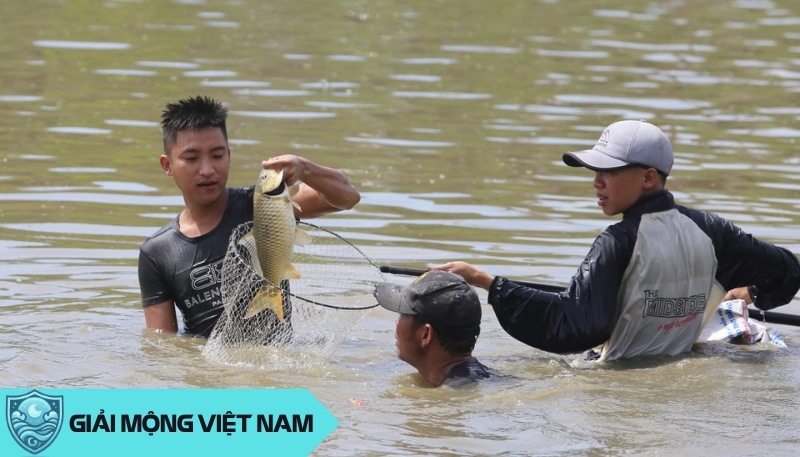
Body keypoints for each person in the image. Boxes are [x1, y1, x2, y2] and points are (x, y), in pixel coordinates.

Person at [430, 120, 800, 362]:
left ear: (649, 177)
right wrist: (748, 292)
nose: (596, 181)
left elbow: (573, 325)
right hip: (681, 372)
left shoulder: (616, 241)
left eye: (609, 171)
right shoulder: (711, 230)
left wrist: (487, 283)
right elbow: (787, 272)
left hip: (618, 382)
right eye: (595, 171)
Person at [138, 95, 360, 337]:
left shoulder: (264, 204)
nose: (207, 170)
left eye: (217, 156)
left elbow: (347, 197)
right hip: (209, 369)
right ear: (167, 165)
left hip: (278, 360)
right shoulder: (156, 253)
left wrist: (305, 168)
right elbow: (161, 345)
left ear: (229, 155)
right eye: (191, 158)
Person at [374, 270, 491, 387]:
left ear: (425, 334)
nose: (396, 321)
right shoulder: (483, 380)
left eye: (402, 314)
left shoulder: (450, 398)